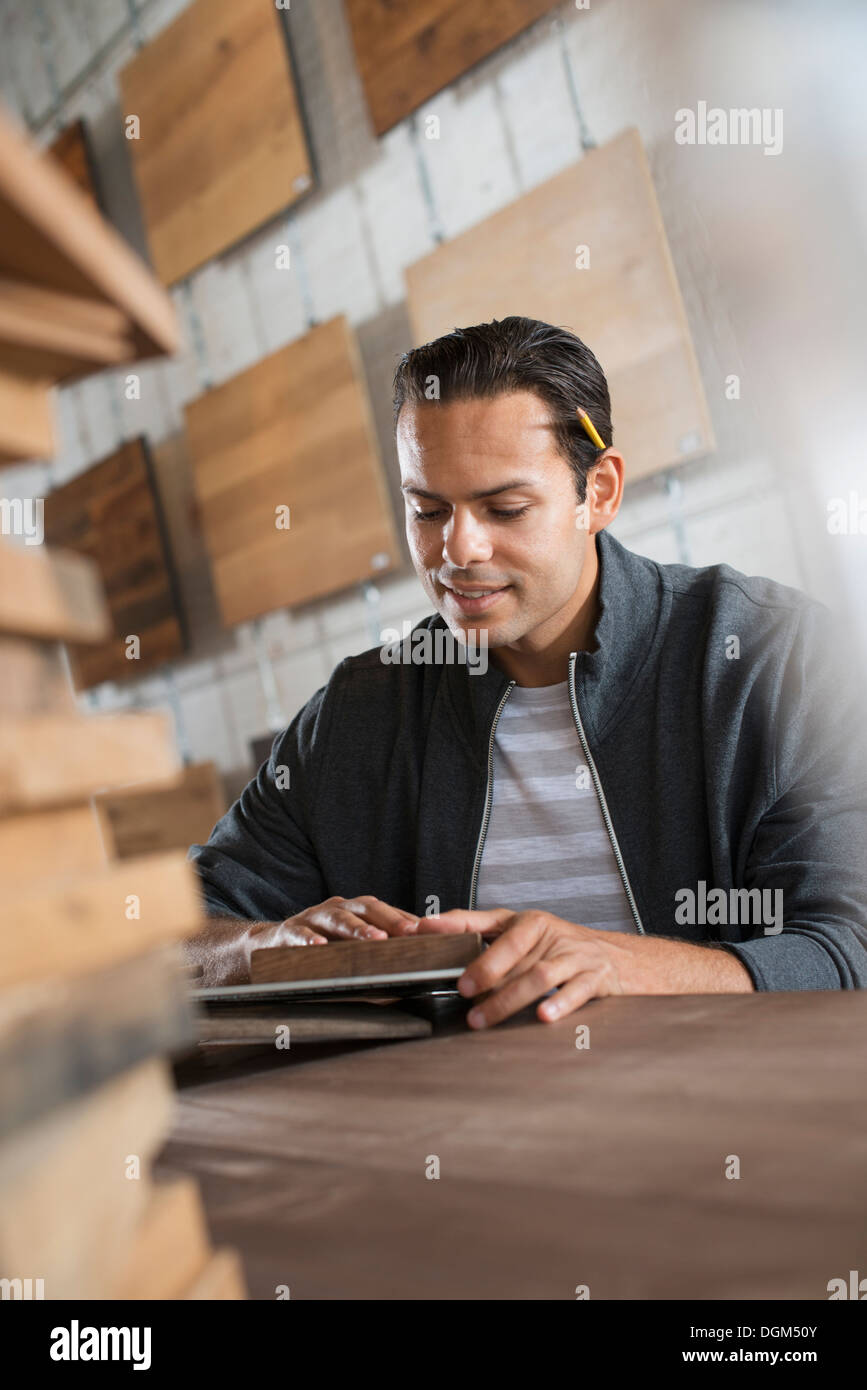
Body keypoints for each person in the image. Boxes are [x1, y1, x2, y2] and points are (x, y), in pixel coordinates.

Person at [186, 316, 867, 1026]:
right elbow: (171, 939)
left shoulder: (769, 656)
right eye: (427, 510)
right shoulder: (361, 712)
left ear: (597, 492)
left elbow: (847, 946)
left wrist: (630, 965)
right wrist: (273, 948)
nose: (458, 549)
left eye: (503, 508)